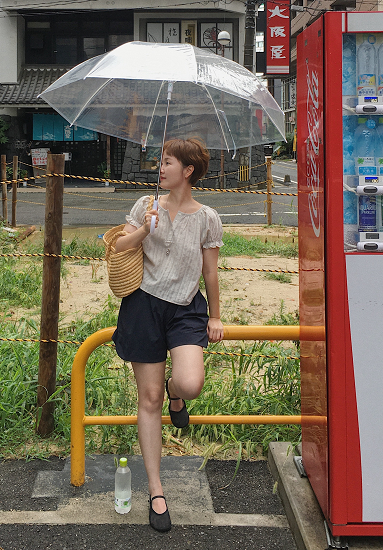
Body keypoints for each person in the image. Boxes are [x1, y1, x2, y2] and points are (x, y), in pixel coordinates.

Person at [112, 138, 224, 533]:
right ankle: (156, 491)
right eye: (160, 162)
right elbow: (118, 246)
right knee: (149, 399)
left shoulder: (208, 217)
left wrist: (216, 315)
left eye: (168, 162)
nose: (160, 168)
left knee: (190, 384)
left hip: (186, 309)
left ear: (188, 171)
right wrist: (145, 228)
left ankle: (176, 394)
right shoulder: (146, 205)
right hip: (143, 305)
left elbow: (210, 271)